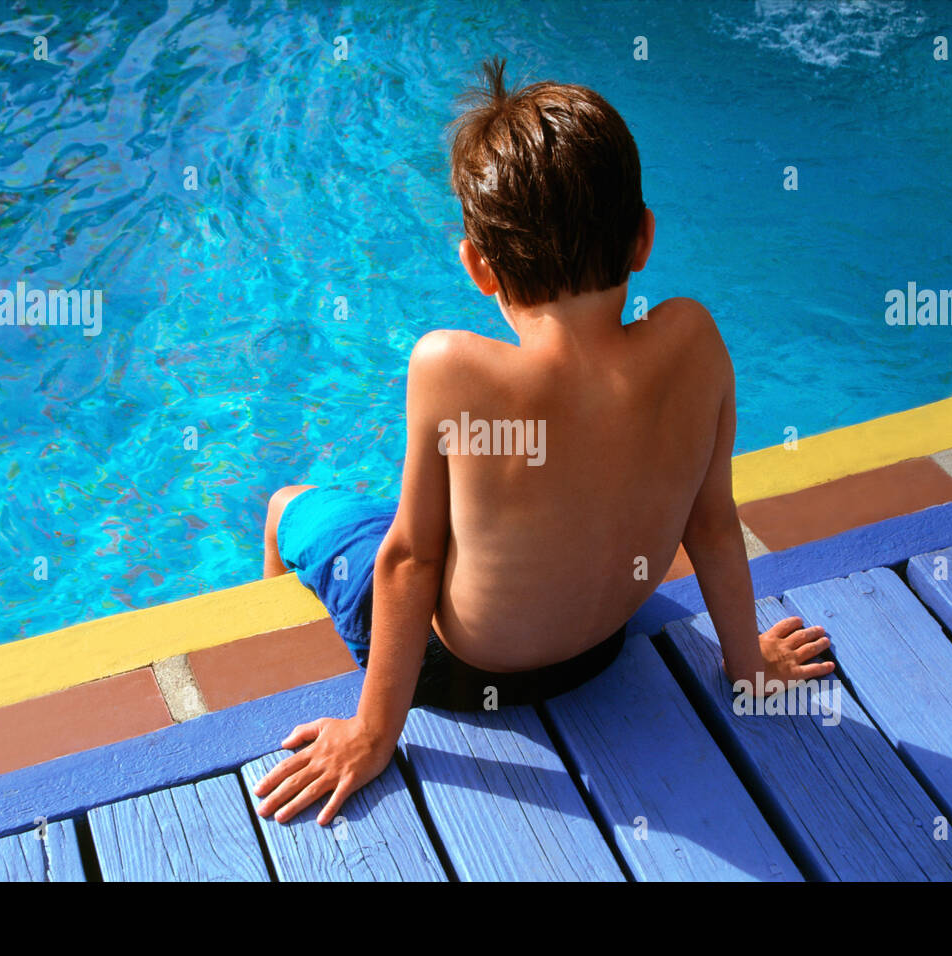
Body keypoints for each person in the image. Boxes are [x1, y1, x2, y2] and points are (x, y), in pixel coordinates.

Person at [253, 58, 831, 825]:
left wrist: (371, 733)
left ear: (478, 267)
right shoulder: (693, 341)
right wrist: (749, 666)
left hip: (457, 673)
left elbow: (410, 560)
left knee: (289, 505)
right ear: (643, 238)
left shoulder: (451, 368)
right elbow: (713, 523)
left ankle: (253, 658)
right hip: (600, 647)